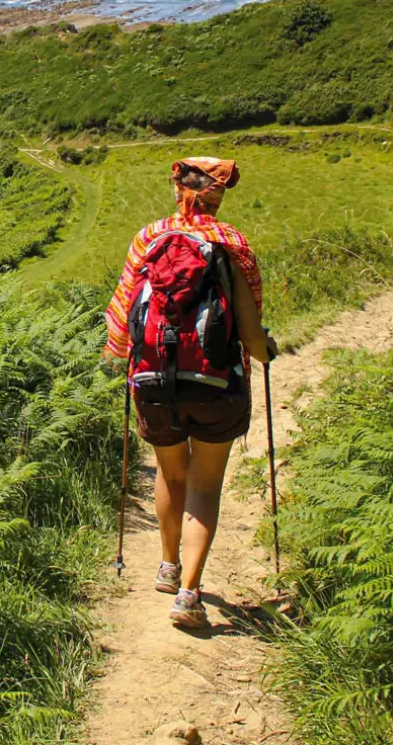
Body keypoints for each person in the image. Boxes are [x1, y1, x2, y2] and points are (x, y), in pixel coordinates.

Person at [105, 156, 277, 629]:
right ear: (217, 197)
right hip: (215, 384)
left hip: (154, 381)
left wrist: (124, 355)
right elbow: (251, 333)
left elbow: (121, 319)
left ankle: (167, 565)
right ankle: (188, 594)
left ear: (176, 188)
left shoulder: (149, 238)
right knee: (205, 483)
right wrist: (267, 352)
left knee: (170, 472)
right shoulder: (232, 245)